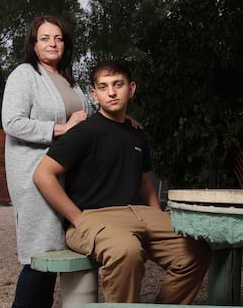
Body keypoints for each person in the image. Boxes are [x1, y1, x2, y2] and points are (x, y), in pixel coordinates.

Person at [33, 60, 212, 304]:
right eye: (104, 87)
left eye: (118, 84)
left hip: (139, 214)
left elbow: (144, 182)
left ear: (131, 89)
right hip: (94, 217)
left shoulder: (136, 132)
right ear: (95, 95)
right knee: (126, 251)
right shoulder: (84, 132)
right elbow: (43, 174)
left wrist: (158, 219)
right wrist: (77, 219)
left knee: (196, 251)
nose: (112, 92)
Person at [1, 14, 95, 308]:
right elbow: (12, 122)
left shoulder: (70, 80)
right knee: (40, 254)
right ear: (33, 44)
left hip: (70, 174)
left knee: (60, 251)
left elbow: (87, 118)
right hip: (37, 174)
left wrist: (121, 120)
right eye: (45, 38)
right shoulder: (24, 75)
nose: (52, 44)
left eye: (58, 38)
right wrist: (60, 129)